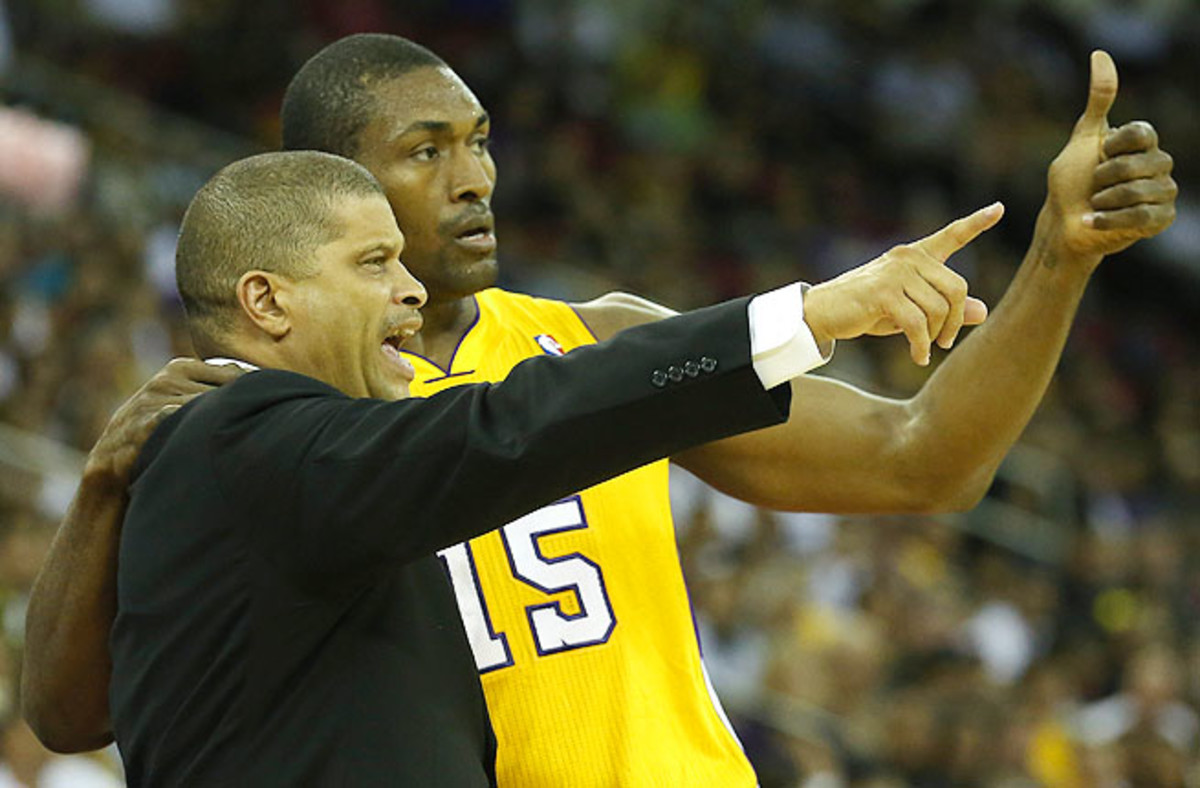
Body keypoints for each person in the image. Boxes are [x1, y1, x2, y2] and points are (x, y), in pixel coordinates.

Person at [21, 34, 1176, 786]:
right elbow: (70, 711)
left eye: (479, 141)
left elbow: (923, 458)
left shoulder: (596, 340)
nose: (476, 177)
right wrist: (99, 490)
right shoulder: (258, 434)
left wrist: (1061, 259)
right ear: (330, 185)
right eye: (426, 151)